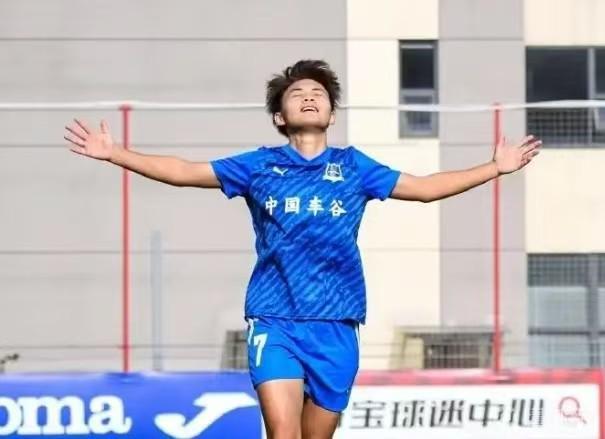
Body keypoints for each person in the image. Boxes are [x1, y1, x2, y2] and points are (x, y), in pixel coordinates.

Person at [64, 59, 541, 439]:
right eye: (297, 94)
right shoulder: (258, 166)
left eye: (319, 94)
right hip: (274, 318)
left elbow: (425, 188)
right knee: (282, 432)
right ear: (280, 116)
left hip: (336, 323)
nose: (309, 97)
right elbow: (185, 172)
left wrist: (494, 168)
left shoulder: (354, 167)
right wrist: (116, 153)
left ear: (330, 114)